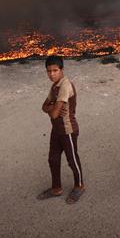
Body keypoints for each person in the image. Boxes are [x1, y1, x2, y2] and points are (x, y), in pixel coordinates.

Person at [37, 56, 85, 204]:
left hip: (67, 129)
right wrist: (52, 106)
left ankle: (79, 186)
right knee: (53, 159)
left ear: (62, 70)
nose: (52, 74)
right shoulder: (54, 86)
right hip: (56, 129)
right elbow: (44, 106)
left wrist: (51, 108)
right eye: (49, 71)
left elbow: (53, 113)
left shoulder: (65, 86)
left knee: (72, 160)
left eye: (55, 70)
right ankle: (56, 188)